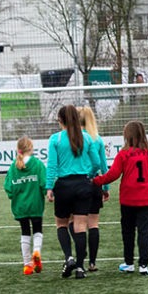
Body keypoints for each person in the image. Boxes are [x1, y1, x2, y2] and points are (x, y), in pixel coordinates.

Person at [45, 104, 107, 279]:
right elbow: (96, 163)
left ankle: (69, 257)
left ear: (61, 120)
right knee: (80, 226)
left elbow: (52, 166)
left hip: (64, 185)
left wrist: (49, 187)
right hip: (82, 184)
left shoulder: (55, 139)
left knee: (61, 224)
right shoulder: (87, 138)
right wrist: (87, 175)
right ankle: (80, 268)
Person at [94, 120, 148, 274]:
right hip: (146, 199)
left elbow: (113, 174)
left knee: (128, 231)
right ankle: (144, 265)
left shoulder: (123, 154)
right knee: (145, 232)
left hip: (128, 200)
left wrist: (96, 181)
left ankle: (129, 262)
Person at [5, 136, 47, 274]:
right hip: (35, 204)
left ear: (18, 150)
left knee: (24, 232)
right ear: (31, 149)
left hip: (20, 206)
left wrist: (14, 196)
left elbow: (8, 188)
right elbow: (43, 183)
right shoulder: (38, 164)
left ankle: (27, 264)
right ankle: (36, 251)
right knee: (37, 229)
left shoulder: (13, 166)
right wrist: (46, 194)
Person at [78, 106, 107, 272]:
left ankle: (79, 254)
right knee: (93, 224)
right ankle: (92, 262)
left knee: (74, 222)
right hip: (95, 183)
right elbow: (103, 165)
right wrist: (106, 186)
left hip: (79, 183)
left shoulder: (74, 138)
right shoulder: (97, 139)